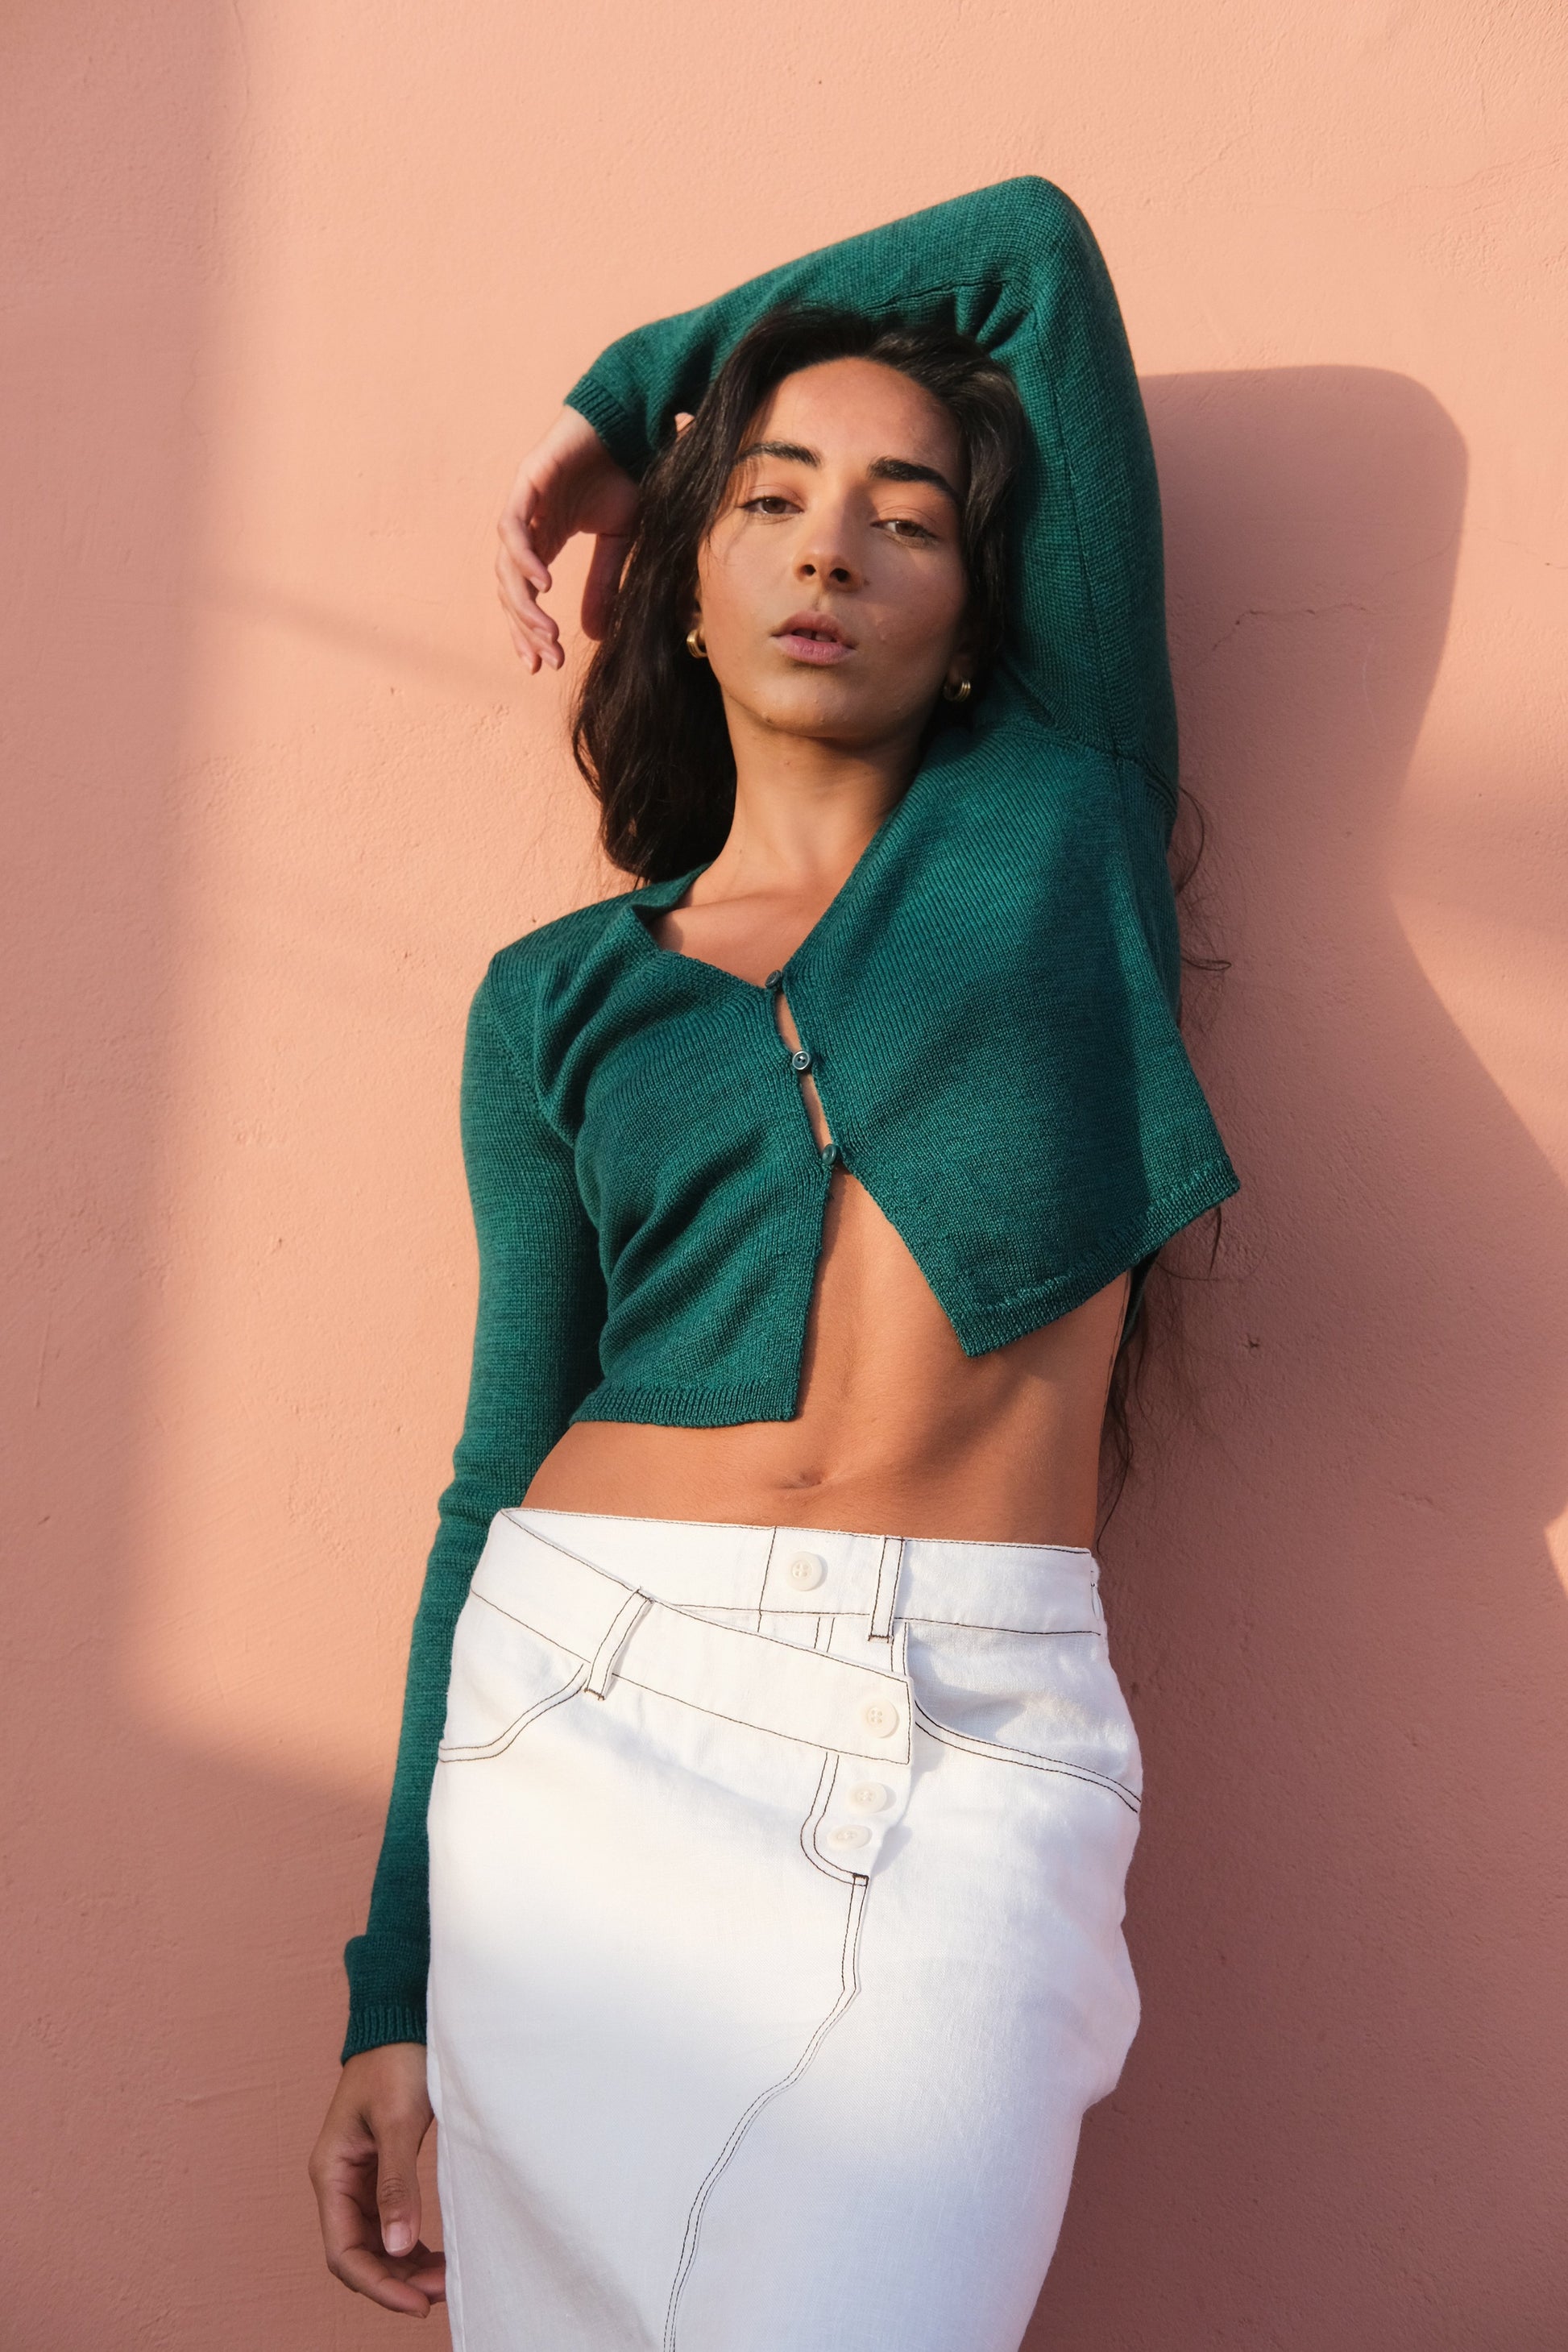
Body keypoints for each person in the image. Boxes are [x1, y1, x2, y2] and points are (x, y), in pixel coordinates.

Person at [309, 175, 1238, 2350]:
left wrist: (635, 404)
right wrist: (390, 1985)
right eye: (761, 498)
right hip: (581, 1715)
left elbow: (1023, 251)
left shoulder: (1066, 809)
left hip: (970, 1735)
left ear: (979, 607)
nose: (830, 545)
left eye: (902, 514)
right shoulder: (556, 1000)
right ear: (689, 593)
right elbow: (494, 1461)